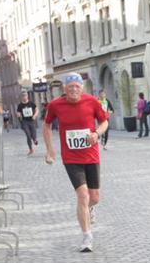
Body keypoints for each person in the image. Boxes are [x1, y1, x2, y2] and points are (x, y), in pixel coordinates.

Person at [42, 73, 110, 253]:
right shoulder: (55, 105)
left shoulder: (92, 102)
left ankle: (87, 211)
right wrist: (49, 149)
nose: (73, 90)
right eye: (70, 86)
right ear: (65, 88)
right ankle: (87, 237)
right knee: (83, 196)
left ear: (82, 88)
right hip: (71, 157)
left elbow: (104, 122)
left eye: (77, 87)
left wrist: (96, 134)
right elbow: (46, 125)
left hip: (91, 156)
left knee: (94, 197)